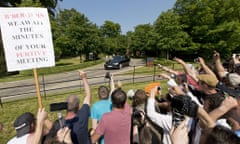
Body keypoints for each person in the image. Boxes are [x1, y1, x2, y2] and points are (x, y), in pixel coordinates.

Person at [64, 70, 91, 144]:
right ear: (78, 106)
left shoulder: (62, 123)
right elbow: (88, 95)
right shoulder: (83, 114)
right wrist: (84, 78)